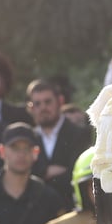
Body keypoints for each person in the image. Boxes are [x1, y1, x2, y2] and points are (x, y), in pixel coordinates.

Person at [27, 79, 93, 208]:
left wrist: (40, 175)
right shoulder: (29, 138)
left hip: (70, 207)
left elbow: (79, 176)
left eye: (48, 102)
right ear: (31, 108)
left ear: (60, 101)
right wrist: (47, 171)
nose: (43, 108)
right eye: (37, 104)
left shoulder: (80, 134)